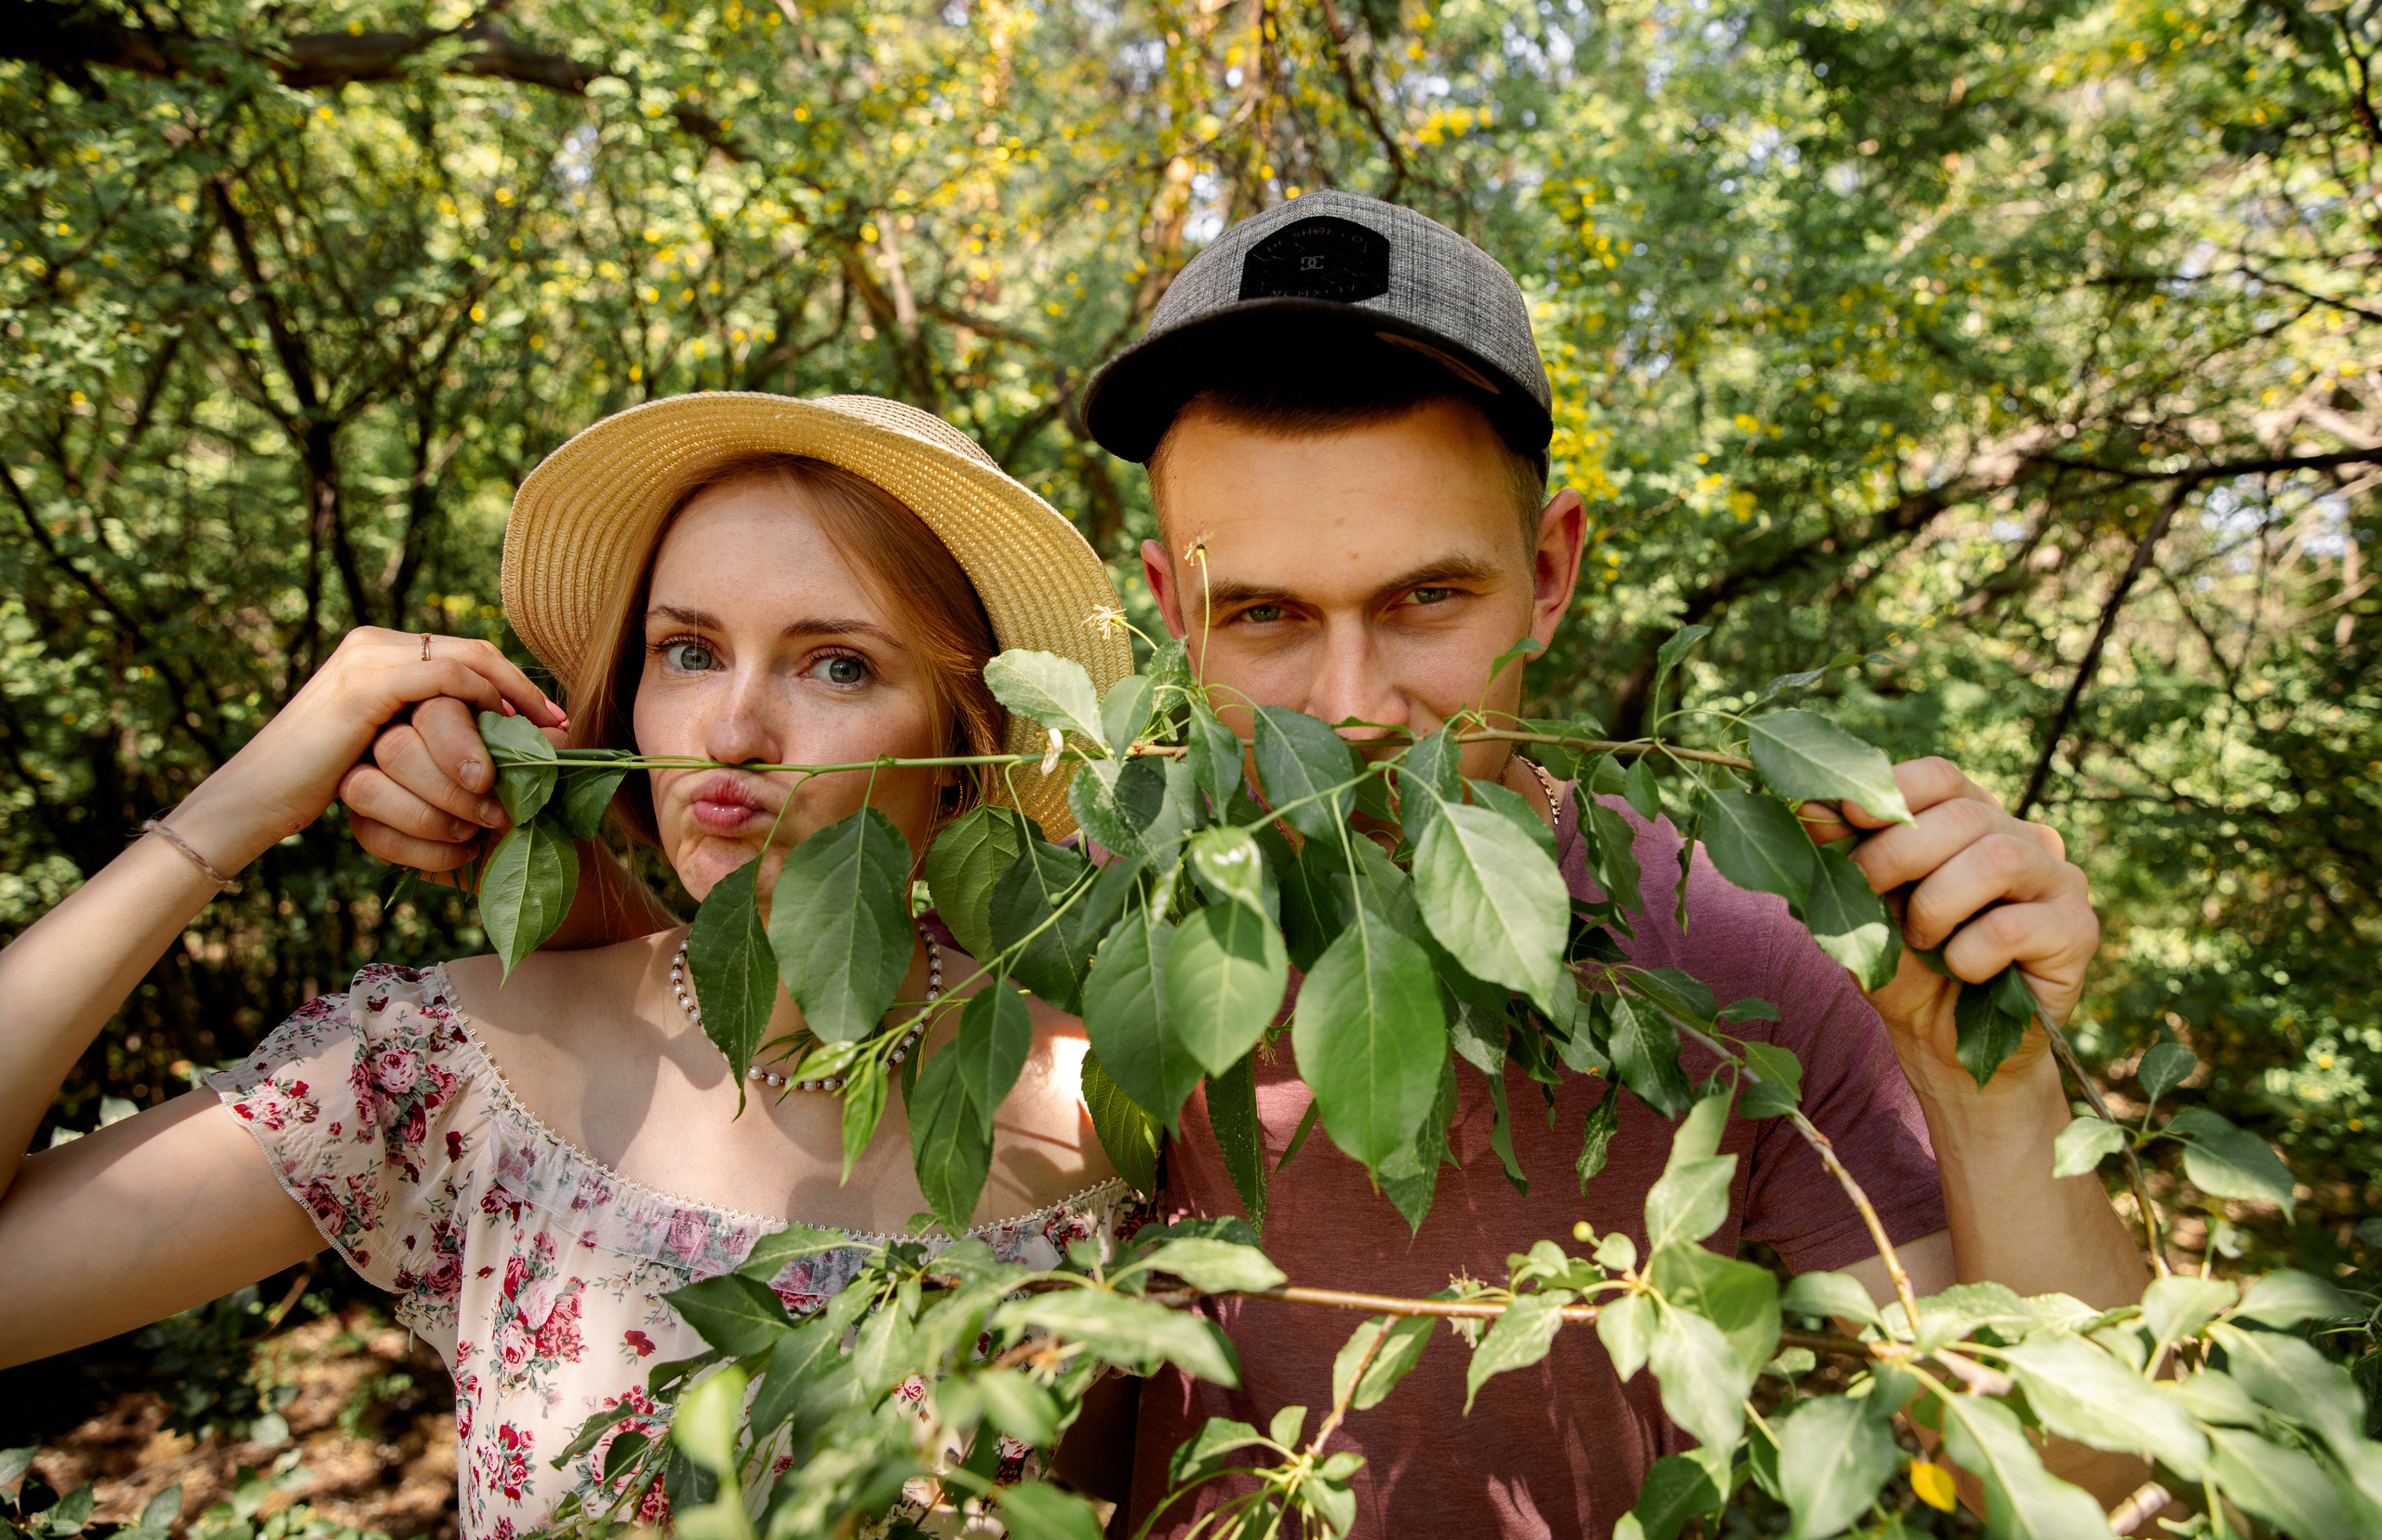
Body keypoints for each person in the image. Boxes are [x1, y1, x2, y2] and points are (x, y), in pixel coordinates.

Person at [342, 198, 2155, 1537]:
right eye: (1268, 616)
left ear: (1550, 571)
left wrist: (1983, 1079)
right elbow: (715, 972)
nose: (1352, 704)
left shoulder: (1732, 966)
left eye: (1427, 599)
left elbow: (2077, 1478)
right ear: (1162, 605)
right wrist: (516, 807)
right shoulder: (1037, 910)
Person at [0, 394, 1139, 1539]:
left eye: (836, 666)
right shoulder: (459, 1069)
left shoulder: (1104, 1120)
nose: (730, 730)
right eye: (686, 652)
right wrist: (241, 807)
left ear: (966, 740)